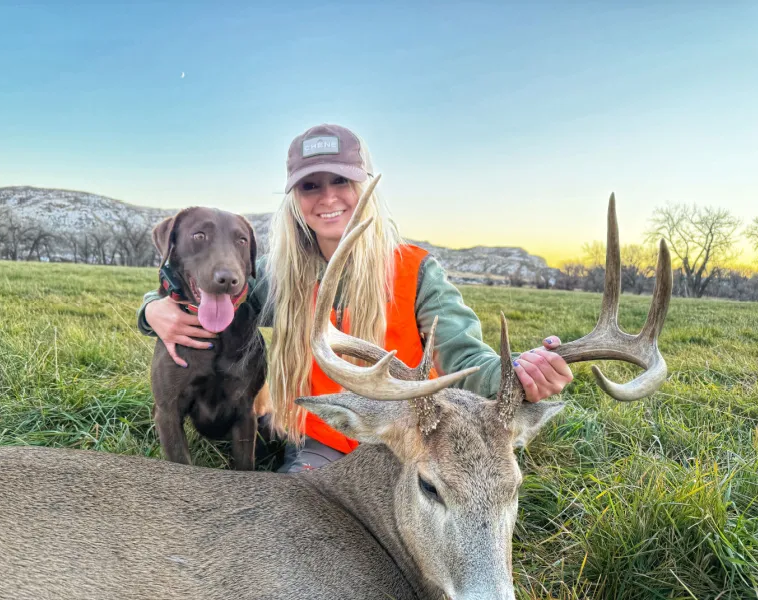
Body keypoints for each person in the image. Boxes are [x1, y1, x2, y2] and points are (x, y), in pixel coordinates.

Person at [137, 123, 574, 472]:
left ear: (365, 187)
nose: (328, 197)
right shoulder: (278, 276)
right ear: (295, 200)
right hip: (320, 444)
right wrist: (152, 309)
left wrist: (514, 376)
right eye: (311, 186)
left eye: (341, 181)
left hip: (406, 446)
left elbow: (463, 355)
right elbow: (214, 298)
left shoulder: (414, 270)